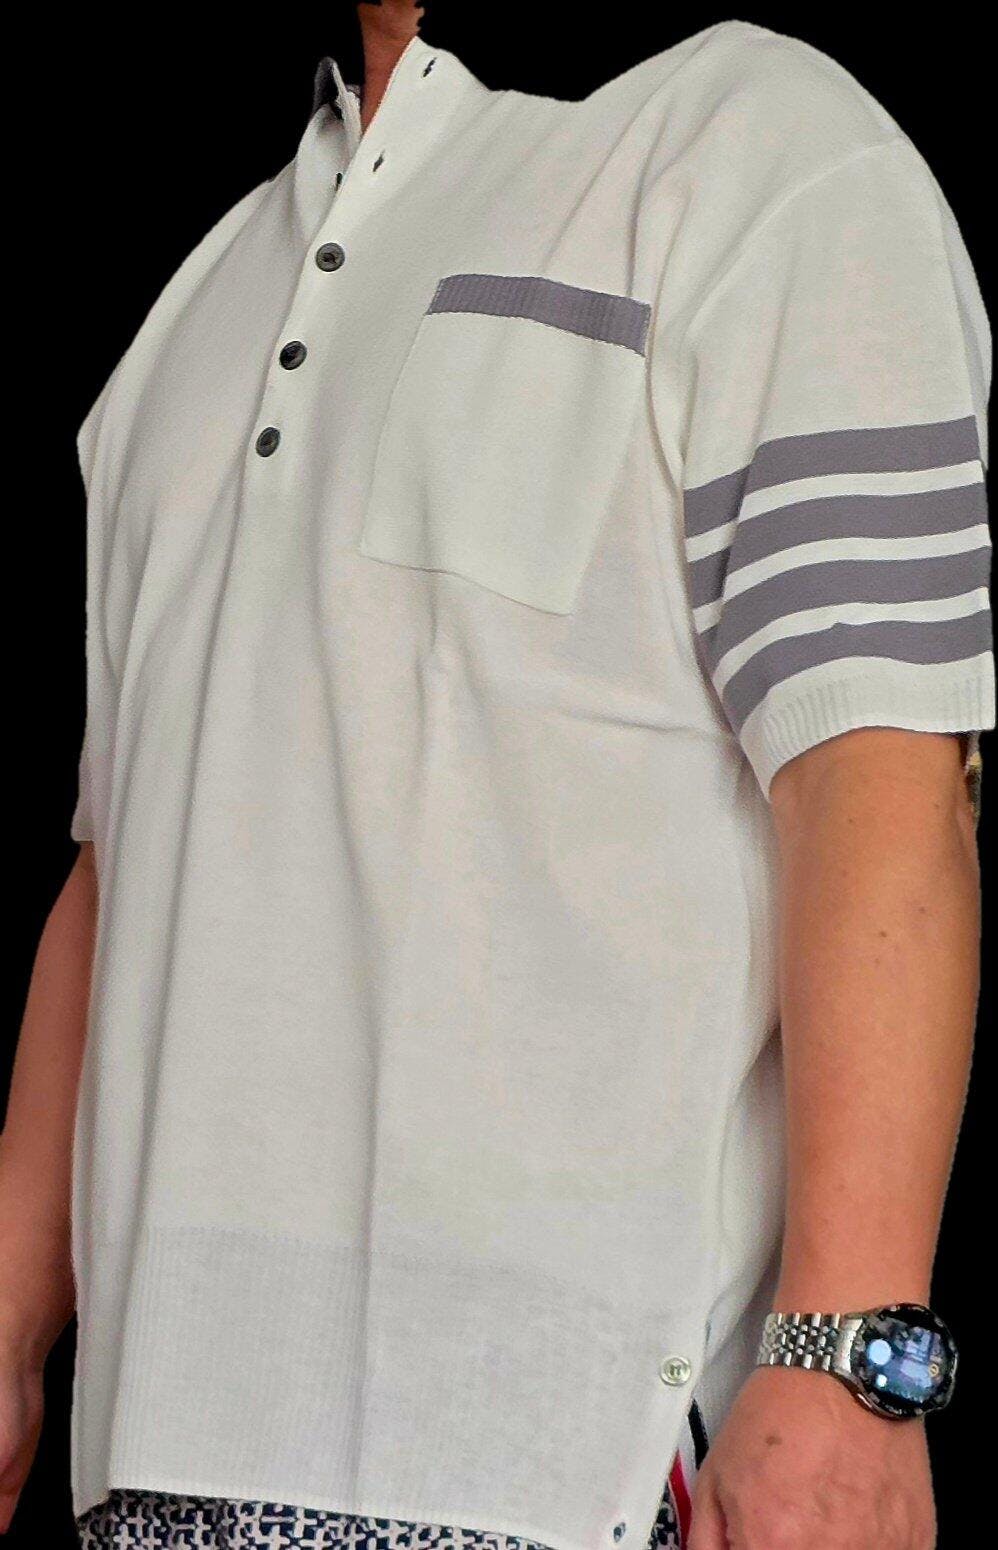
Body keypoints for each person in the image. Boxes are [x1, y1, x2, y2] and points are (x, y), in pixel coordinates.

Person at [1, 4, 992, 1548]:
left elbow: (872, 774)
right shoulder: (207, 292)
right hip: (156, 1462)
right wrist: (8, 1325)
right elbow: (124, 862)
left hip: (563, 1469)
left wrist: (848, 1361)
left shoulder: (763, 147)